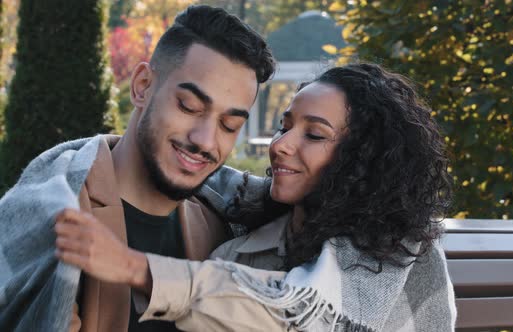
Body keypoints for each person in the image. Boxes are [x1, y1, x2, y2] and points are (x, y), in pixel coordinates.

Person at [56, 63, 457, 331]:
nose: (281, 145)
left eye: (313, 135)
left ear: (365, 159)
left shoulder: (399, 247)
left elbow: (302, 316)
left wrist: (134, 267)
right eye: (285, 127)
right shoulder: (242, 254)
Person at [0, 5, 275, 332]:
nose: (205, 140)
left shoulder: (228, 230)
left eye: (229, 126)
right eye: (189, 106)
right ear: (142, 86)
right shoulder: (49, 214)